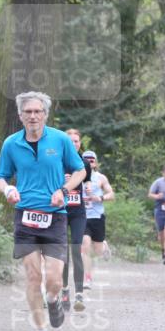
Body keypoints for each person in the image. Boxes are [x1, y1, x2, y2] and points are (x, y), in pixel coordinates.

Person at [0, 91, 86, 331]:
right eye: (28, 112)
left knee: (54, 280)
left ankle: (54, 299)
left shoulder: (59, 140)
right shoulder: (11, 144)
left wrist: (64, 191)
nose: (33, 116)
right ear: (21, 115)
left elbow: (80, 170)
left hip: (55, 216)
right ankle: (41, 330)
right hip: (25, 217)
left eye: (38, 111)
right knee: (33, 277)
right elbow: (0, 176)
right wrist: (8, 190)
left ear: (45, 114)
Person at [60, 128, 91, 312]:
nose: (73, 144)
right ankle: (64, 290)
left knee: (76, 249)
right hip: (61, 211)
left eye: (76, 141)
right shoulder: (57, 160)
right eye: (70, 141)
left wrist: (86, 187)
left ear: (80, 144)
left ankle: (79, 293)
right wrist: (61, 180)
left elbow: (87, 182)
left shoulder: (84, 163)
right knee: (63, 253)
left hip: (78, 212)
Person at [81, 150, 114, 287]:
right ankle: (87, 278)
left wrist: (99, 198)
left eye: (92, 160)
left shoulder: (101, 178)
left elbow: (111, 194)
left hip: (97, 217)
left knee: (98, 250)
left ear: (95, 163)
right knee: (85, 246)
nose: (89, 162)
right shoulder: (76, 177)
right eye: (86, 159)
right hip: (82, 217)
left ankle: (104, 246)